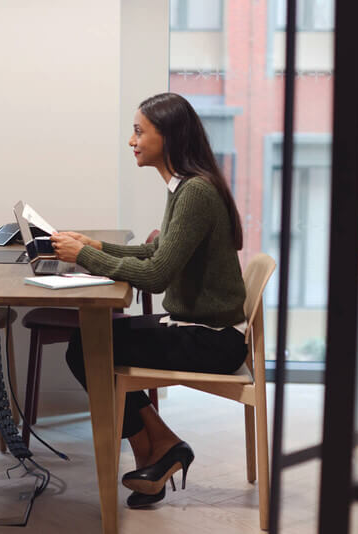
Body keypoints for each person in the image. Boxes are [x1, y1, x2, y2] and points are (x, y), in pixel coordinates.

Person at [50, 92, 248, 509]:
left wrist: (84, 256)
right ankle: (158, 450)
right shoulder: (187, 186)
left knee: (87, 346)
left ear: (169, 137)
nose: (132, 141)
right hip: (201, 328)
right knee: (89, 343)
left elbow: (156, 277)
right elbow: (156, 254)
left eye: (139, 132)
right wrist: (94, 244)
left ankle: (158, 449)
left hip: (212, 341)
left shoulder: (195, 192)